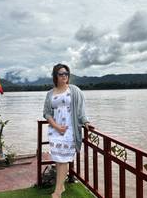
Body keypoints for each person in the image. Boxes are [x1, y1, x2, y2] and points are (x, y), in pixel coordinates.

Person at [43, 63, 92, 198]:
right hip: (55, 131)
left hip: (69, 131)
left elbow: (81, 110)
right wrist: (57, 126)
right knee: (58, 160)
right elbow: (47, 113)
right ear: (55, 76)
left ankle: (58, 191)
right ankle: (62, 186)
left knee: (64, 160)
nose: (64, 76)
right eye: (61, 74)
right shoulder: (50, 93)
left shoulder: (74, 90)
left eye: (66, 73)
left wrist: (85, 121)